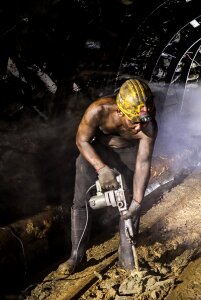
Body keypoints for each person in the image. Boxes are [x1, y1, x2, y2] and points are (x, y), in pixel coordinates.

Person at [56, 78, 158, 275]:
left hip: (128, 153)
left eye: (143, 121)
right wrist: (101, 168)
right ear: (119, 111)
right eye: (133, 121)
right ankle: (77, 255)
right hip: (97, 152)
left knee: (129, 204)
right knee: (80, 200)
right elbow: (82, 140)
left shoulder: (148, 126)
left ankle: (127, 255)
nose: (139, 128)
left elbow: (143, 162)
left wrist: (137, 202)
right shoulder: (98, 110)